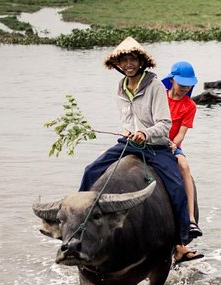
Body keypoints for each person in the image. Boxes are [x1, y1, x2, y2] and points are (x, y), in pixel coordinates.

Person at [78, 36, 193, 254]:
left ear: (141, 62)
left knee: (176, 186)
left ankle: (181, 238)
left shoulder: (155, 86)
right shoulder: (121, 87)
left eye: (133, 59)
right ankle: (79, 223)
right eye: (124, 60)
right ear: (118, 65)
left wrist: (145, 134)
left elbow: (164, 124)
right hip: (128, 143)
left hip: (155, 145)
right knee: (90, 171)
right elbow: (126, 121)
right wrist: (130, 133)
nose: (129, 64)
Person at [162, 61, 204, 265]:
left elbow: (181, 134)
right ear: (172, 81)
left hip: (171, 146)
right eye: (182, 84)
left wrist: (173, 145)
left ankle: (190, 219)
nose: (185, 88)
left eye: (188, 85)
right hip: (148, 140)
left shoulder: (190, 106)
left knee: (184, 166)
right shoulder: (159, 97)